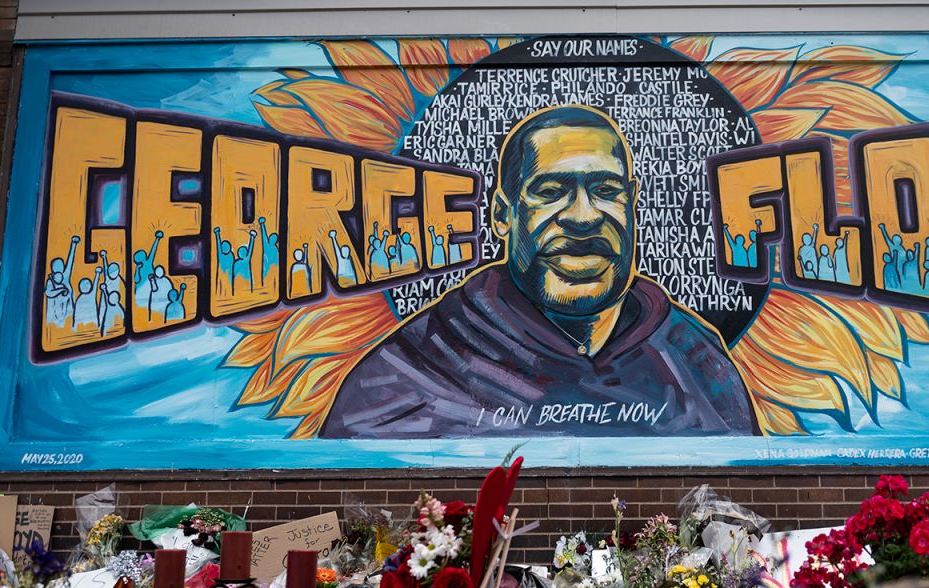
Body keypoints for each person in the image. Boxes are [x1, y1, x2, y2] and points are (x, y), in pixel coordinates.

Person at [322, 104, 757, 438]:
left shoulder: (695, 361)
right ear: (501, 215)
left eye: (606, 190)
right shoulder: (411, 372)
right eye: (550, 191)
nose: (584, 217)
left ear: (633, 201)